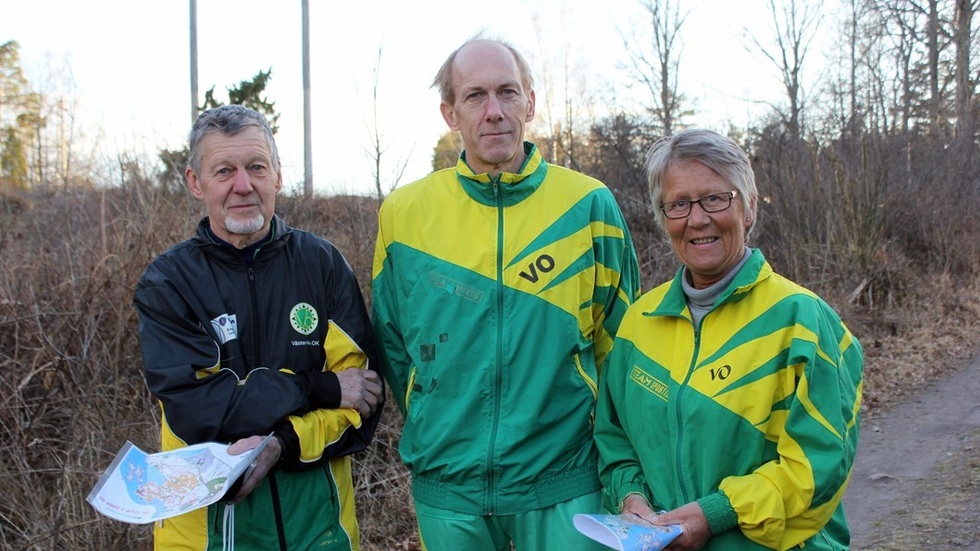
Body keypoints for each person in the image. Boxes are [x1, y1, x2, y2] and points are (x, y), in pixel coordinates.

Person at [370, 35, 641, 551]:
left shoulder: (588, 205)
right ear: (450, 113)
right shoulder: (403, 215)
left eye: (508, 93)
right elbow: (394, 345)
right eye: (475, 96)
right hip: (449, 488)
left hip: (566, 480)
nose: (494, 111)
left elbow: (621, 344)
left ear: (530, 103)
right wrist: (438, 427)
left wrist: (615, 459)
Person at [594, 128, 864, 550]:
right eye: (678, 204)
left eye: (716, 198)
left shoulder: (804, 321)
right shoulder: (637, 324)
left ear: (750, 207)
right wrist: (630, 498)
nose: (697, 219)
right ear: (663, 218)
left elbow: (818, 467)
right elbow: (615, 439)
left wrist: (716, 514)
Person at [133, 104, 384, 551]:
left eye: (256, 167)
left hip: (321, 529)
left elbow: (363, 400)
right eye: (224, 171)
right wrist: (320, 388)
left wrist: (285, 442)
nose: (243, 185)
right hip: (207, 533)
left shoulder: (322, 265)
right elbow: (201, 411)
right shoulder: (168, 282)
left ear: (277, 176)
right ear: (196, 183)